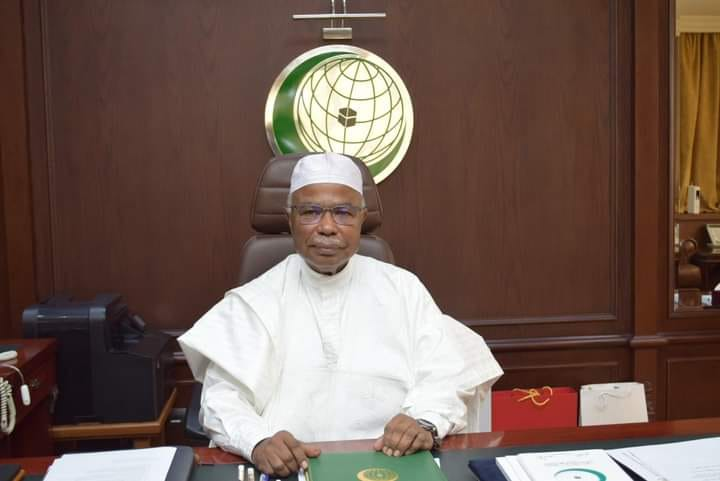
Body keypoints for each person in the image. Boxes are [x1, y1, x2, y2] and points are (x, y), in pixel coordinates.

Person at [178, 152, 502, 477]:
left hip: (390, 465)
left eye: (344, 213)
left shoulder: (403, 289)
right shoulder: (254, 300)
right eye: (310, 212)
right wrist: (258, 442)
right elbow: (223, 398)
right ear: (289, 217)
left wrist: (423, 421)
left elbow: (444, 373)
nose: (328, 228)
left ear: (362, 218)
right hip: (291, 469)